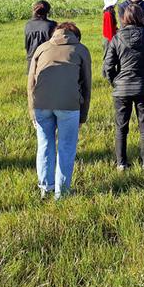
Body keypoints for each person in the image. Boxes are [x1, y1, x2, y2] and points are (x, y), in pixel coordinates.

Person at [28, 22, 92, 198]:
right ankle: (61, 192)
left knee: (44, 144)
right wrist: (83, 116)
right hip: (69, 105)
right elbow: (87, 86)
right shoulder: (81, 50)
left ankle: (45, 187)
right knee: (66, 147)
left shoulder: (41, 48)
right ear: (75, 36)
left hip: (41, 103)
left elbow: (31, 82)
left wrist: (32, 110)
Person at [103, 5, 144, 171]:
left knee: (121, 128)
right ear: (141, 18)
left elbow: (108, 66)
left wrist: (115, 82)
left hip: (122, 89)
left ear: (124, 18)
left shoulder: (117, 38)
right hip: (142, 87)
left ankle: (121, 163)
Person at [24, 0, 56, 71]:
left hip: (31, 59)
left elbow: (27, 45)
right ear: (48, 12)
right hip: (47, 59)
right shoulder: (52, 25)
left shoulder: (28, 25)